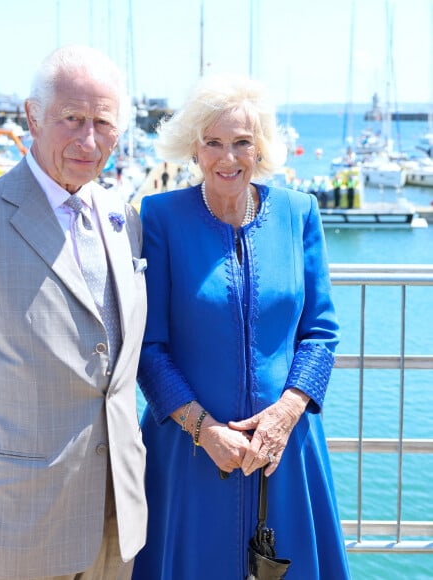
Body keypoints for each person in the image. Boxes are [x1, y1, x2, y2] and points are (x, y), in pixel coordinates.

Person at [0, 44, 148, 580]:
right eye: (71, 119)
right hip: (16, 516)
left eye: (102, 123)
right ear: (33, 116)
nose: (88, 140)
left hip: (115, 509)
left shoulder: (121, 216)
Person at [132, 73, 351, 579]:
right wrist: (203, 430)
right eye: (213, 143)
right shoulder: (161, 217)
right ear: (194, 148)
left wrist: (288, 412)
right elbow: (149, 346)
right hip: (188, 454)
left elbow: (320, 332)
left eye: (241, 143)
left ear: (262, 148)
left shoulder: (299, 213)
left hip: (286, 451)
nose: (227, 158)